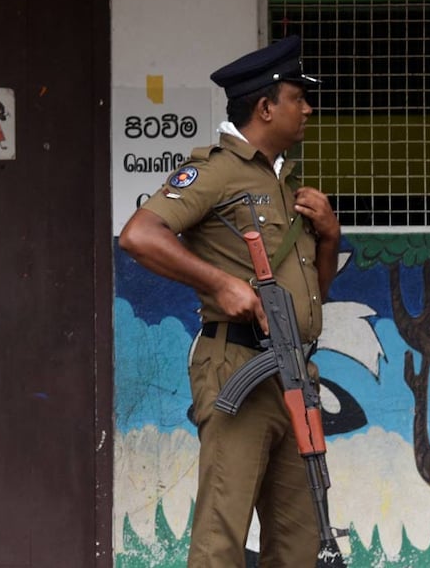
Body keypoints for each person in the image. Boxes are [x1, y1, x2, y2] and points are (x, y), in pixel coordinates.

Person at [118, 35, 341, 567]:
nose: (306, 109)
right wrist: (220, 284)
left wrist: (330, 236)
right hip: (237, 367)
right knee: (223, 532)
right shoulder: (216, 171)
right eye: (296, 98)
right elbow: (139, 235)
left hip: (293, 372)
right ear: (265, 107)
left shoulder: (288, 186)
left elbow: (314, 299)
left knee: (300, 541)